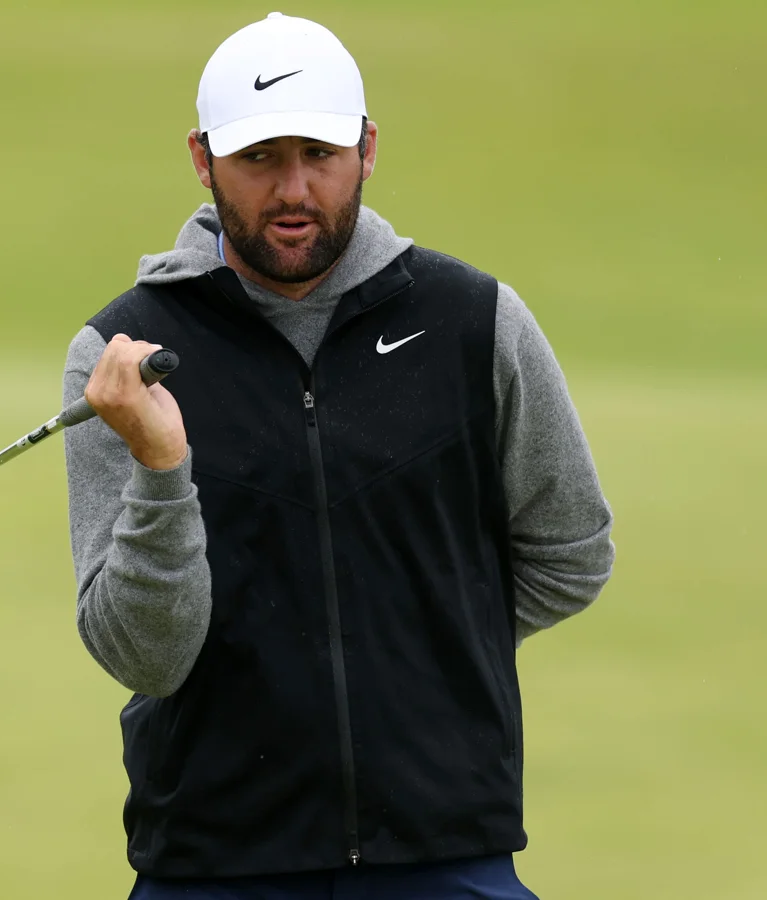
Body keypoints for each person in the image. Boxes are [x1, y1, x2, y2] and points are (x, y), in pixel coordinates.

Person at [62, 12, 615, 899]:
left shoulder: (475, 322)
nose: (294, 190)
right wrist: (162, 469)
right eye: (259, 158)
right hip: (215, 862)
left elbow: (572, 552)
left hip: (446, 853)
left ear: (367, 148)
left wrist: (413, 650)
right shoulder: (123, 357)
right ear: (203, 159)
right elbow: (144, 658)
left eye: (319, 154)